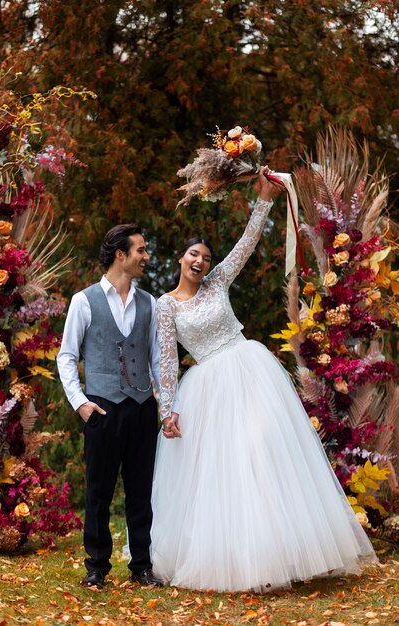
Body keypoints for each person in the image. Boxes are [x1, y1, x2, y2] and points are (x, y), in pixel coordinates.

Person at [150, 166, 377, 593]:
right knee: (225, 466)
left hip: (247, 367)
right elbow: (165, 361)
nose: (200, 261)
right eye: (192, 254)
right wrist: (167, 411)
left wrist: (265, 200)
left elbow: (246, 246)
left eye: (204, 255)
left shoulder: (218, 281)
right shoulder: (165, 307)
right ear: (181, 259)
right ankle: (239, 557)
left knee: (263, 448)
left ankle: (289, 549)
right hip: (206, 387)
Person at [57, 224, 163, 589]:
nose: (146, 257)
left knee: (140, 492)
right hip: (101, 407)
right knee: (98, 492)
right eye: (141, 250)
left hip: (141, 408)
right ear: (121, 254)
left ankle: (142, 566)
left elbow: (158, 360)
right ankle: (97, 567)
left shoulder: (150, 303)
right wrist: (80, 404)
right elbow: (67, 357)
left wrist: (164, 405)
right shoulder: (84, 301)